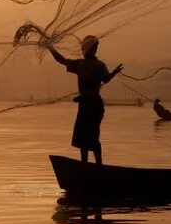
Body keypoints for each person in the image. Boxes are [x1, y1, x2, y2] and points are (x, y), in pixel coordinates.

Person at [47, 36, 123, 164]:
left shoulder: (94, 65)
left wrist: (114, 73)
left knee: (92, 138)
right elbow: (62, 60)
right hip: (86, 106)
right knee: (83, 138)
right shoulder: (83, 65)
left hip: (93, 106)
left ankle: (98, 166)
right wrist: (50, 48)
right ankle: (85, 166)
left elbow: (105, 79)